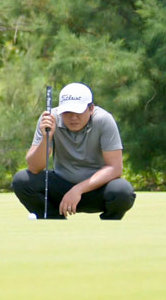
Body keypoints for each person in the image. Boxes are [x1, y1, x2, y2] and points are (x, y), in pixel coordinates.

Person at [11, 83, 136, 220]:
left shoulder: (103, 120)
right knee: (22, 180)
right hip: (61, 187)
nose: (73, 117)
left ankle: (108, 225)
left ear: (91, 108)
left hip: (97, 188)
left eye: (78, 112)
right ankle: (54, 221)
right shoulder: (49, 119)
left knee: (122, 191)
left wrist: (78, 189)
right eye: (67, 112)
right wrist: (47, 137)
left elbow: (114, 168)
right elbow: (34, 167)